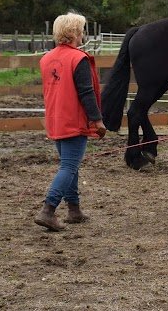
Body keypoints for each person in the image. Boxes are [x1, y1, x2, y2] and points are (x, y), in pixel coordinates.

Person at [34, 12, 107, 231]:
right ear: (74, 32)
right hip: (73, 120)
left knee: (70, 165)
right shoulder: (78, 58)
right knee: (69, 166)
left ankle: (74, 210)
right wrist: (97, 120)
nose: (83, 33)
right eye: (81, 29)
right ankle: (48, 210)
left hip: (55, 120)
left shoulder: (46, 58)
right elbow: (86, 93)